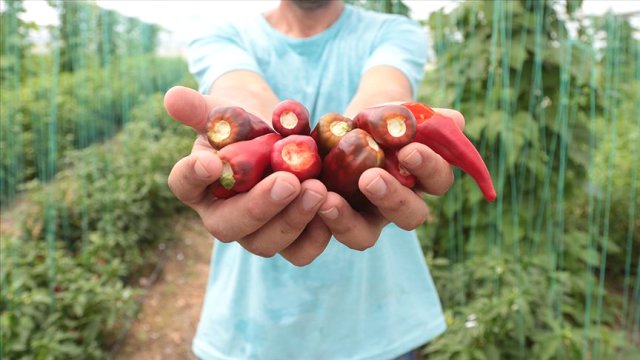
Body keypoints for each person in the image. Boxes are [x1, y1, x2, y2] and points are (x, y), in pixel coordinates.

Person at [164, 1, 465, 359]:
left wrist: (371, 129)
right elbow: (240, 88)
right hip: (252, 330)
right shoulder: (224, 32)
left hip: (379, 324)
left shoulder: (395, 31)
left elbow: (383, 93)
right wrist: (242, 120)